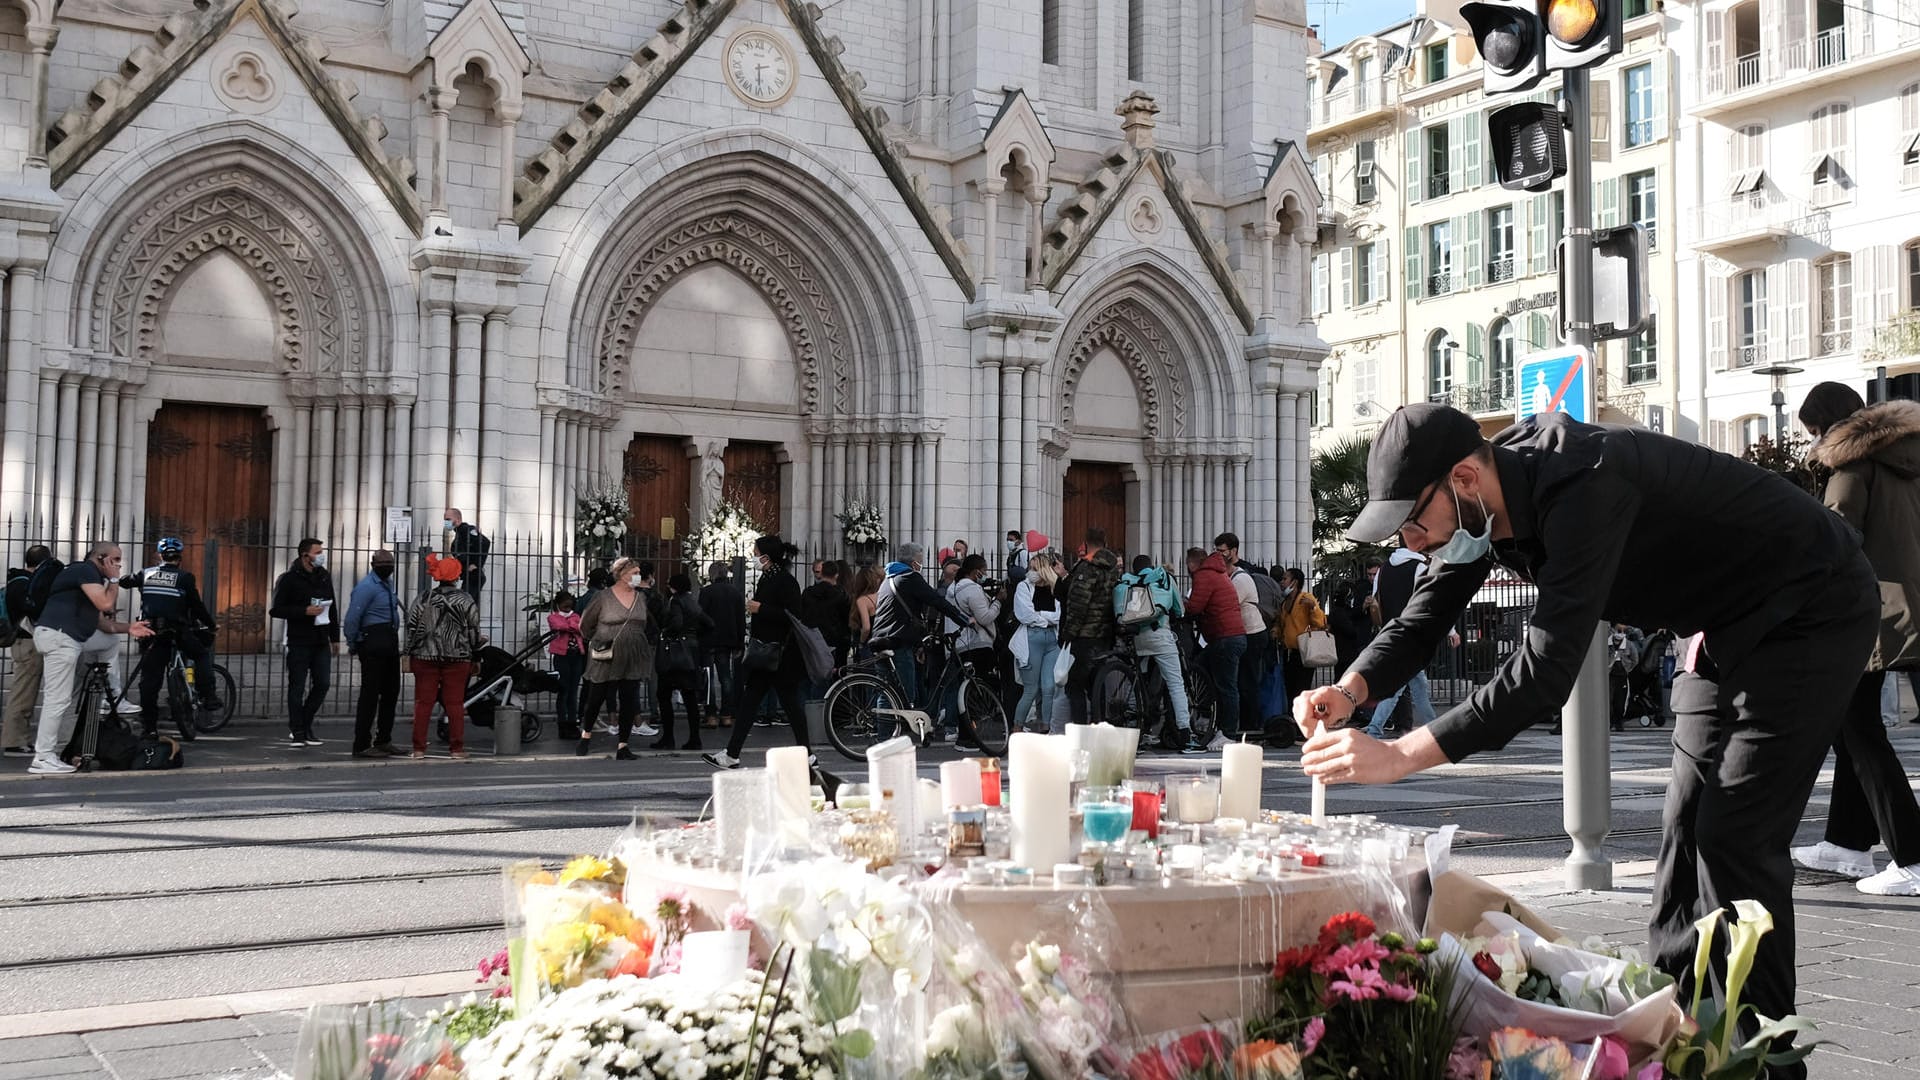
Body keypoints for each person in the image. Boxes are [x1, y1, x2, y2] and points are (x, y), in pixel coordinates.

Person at [1294, 403, 1878, 1073]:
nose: (1410, 542)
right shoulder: (1478, 507)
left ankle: (1768, 1066)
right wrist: (1350, 691)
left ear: (1463, 478)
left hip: (1814, 607)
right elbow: (1422, 621)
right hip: (1726, 624)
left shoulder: (1585, 482)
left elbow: (1544, 672)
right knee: (1683, 842)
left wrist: (1400, 754)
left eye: (1413, 522)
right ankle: (1673, 1048)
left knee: (1735, 840)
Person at [1786, 384, 1920, 897]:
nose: (1813, 441)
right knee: (1853, 726)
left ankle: (1910, 855)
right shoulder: (1905, 461)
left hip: (1874, 614)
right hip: (1909, 608)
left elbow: (1832, 548)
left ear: (1829, 426)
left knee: (1858, 732)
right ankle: (1848, 843)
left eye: (1813, 431)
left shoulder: (1851, 472)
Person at [27, 542, 152, 773]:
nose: (118, 565)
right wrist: (114, 580)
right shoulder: (84, 570)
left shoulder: (88, 579)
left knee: (109, 642)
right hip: (61, 638)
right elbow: (105, 604)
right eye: (114, 560)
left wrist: (129, 628)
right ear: (100, 558)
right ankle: (43, 757)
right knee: (57, 700)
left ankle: (110, 695)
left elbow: (102, 624)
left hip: (70, 638)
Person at [706, 535, 814, 769]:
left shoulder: (784, 581)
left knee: (778, 704)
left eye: (755, 552)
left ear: (766, 556)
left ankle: (733, 754)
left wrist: (760, 608)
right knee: (761, 702)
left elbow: (792, 615)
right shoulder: (769, 577)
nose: (753, 556)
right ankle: (733, 753)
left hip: (778, 652)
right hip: (767, 651)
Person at [867, 542, 974, 736]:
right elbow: (935, 599)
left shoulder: (888, 579)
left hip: (881, 638)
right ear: (914, 562)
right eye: (921, 560)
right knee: (905, 693)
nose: (921, 564)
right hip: (897, 642)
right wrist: (962, 618)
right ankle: (887, 737)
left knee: (888, 690)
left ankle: (887, 735)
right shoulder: (909, 577)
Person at [125, 536, 220, 741]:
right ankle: (209, 696)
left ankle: (150, 728)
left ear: (160, 555)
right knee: (201, 655)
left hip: (153, 634)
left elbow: (125, 581)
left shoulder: (146, 573)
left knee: (150, 682)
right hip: (178, 631)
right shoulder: (185, 577)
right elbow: (196, 605)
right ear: (179, 557)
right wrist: (211, 625)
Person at [1362, 547, 1457, 739]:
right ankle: (1376, 729)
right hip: (1413, 633)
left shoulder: (1384, 569)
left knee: (1415, 685)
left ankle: (1431, 727)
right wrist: (1451, 630)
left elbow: (1376, 602)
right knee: (1403, 688)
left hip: (1389, 633)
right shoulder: (1419, 568)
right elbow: (1435, 599)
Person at [1117, 554, 1200, 753]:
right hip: (1160, 634)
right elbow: (1179, 610)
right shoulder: (1162, 578)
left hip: (1137, 636)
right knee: (1175, 684)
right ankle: (1186, 736)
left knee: (1138, 681)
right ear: (1151, 566)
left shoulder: (1129, 582)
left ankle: (1133, 729)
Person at [405, 554, 483, 759]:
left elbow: (412, 626)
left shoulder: (424, 597)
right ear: (456, 576)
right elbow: (473, 630)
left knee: (424, 703)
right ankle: (456, 749)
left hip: (425, 656)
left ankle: (418, 748)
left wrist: (409, 650)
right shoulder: (465, 600)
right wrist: (475, 652)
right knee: (455, 704)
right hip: (457, 657)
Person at [577, 557, 656, 760]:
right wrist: (597, 639)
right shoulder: (603, 597)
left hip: (633, 654)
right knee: (597, 695)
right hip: (607, 652)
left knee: (629, 698)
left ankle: (623, 744)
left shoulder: (641, 598)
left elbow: (645, 622)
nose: (638, 576)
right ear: (621, 574)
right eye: (634, 573)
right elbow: (585, 623)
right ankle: (586, 735)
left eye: (639, 573)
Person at [269, 538, 338, 748]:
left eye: (321, 551)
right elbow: (276, 609)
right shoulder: (289, 579)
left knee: (323, 683)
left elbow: (332, 608)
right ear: (305, 556)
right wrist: (303, 611)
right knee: (297, 686)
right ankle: (297, 730)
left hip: (320, 639)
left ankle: (305, 723)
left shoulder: (324, 577)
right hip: (299, 640)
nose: (321, 555)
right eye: (318, 552)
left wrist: (334, 638)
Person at [1184, 546, 1246, 750]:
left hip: (1225, 637)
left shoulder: (1204, 575)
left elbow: (1194, 607)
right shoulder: (1218, 573)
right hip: (1229, 636)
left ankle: (1228, 733)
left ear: (1193, 563)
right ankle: (1207, 717)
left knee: (1226, 686)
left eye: (1187, 565)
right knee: (1201, 669)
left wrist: (1181, 604)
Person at [1215, 534, 1276, 740]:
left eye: (1222, 551)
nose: (1219, 555)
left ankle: (1251, 723)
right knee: (1241, 679)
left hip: (1252, 633)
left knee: (1248, 680)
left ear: (1233, 551)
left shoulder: (1241, 577)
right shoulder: (1231, 575)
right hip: (1242, 633)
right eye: (1217, 551)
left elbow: (1228, 602)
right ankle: (1245, 721)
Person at [343, 549, 403, 758]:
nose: (388, 566)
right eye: (384, 563)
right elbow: (352, 617)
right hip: (372, 641)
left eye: (390, 563)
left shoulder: (387, 584)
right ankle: (361, 743)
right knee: (370, 695)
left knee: (391, 692)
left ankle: (383, 739)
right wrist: (353, 641)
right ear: (373, 565)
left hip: (389, 640)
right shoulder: (366, 587)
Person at [1057, 538, 1122, 727]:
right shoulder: (1112, 570)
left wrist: (1068, 633)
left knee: (1074, 685)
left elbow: (1078, 604)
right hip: (1104, 635)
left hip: (1084, 636)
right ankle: (1098, 725)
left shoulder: (1086, 570)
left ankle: (1080, 728)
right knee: (1096, 685)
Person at [942, 554, 1002, 751]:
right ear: (977, 571)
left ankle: (965, 734)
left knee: (964, 691)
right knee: (976, 691)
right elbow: (984, 617)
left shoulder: (952, 589)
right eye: (984, 570)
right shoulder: (973, 590)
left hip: (960, 645)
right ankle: (969, 736)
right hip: (976, 644)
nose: (985, 574)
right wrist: (998, 602)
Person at [655, 572, 715, 751]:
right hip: (691, 653)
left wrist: (666, 632)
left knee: (663, 694)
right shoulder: (692, 601)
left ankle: (668, 737)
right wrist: (695, 638)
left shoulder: (675, 600)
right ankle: (694, 738)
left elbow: (677, 623)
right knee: (690, 698)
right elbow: (709, 623)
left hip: (675, 653)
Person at [2, 545, 52, 757]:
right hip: (27, 643)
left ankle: (16, 739)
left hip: (23, 644)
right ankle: (14, 741)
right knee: (23, 693)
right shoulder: (26, 586)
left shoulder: (16, 581)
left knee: (23, 691)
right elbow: (32, 610)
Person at [1012, 552, 1063, 734]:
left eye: (1034, 568)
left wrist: (1041, 617)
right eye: (1029, 568)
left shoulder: (1055, 588)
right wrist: (1046, 619)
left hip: (1052, 639)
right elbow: (1025, 614)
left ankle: (1045, 725)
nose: (1030, 572)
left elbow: (1059, 615)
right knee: (1031, 689)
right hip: (1031, 638)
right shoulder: (1024, 587)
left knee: (1049, 686)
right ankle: (1017, 726)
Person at [1276, 567, 1329, 734]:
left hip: (1304, 652)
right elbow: (1283, 624)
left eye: (1285, 579)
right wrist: (1277, 632)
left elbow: (1320, 623)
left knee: (1302, 689)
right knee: (1291, 689)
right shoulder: (1285, 603)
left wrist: (1313, 608)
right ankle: (1295, 725)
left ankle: (1304, 726)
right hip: (1289, 652)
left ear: (1294, 582)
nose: (1282, 582)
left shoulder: (1306, 598)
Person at [699, 560, 746, 728]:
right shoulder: (735, 592)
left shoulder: (706, 592)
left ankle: (711, 714)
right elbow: (741, 620)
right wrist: (740, 643)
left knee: (709, 678)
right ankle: (727, 713)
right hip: (728, 640)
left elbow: (701, 616)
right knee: (726, 677)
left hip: (709, 639)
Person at [801, 559, 853, 676]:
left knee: (814, 676)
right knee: (837, 678)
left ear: (822, 573)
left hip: (813, 639)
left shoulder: (808, 592)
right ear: (836, 575)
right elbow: (847, 619)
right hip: (835, 641)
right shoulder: (841, 595)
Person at [547, 590, 586, 740]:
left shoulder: (576, 616)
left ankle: (572, 723)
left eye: (570, 606)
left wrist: (569, 624)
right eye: (565, 606)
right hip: (562, 657)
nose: (567, 608)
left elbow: (580, 627)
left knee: (573, 691)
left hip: (576, 657)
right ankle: (562, 724)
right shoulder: (553, 617)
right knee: (563, 691)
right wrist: (570, 624)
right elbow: (558, 626)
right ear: (558, 605)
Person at [444, 508, 490, 600]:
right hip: (468, 576)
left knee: (465, 604)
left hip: (474, 576)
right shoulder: (459, 534)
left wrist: (476, 564)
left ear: (457, 519)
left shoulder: (466, 530)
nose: (446, 522)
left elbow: (485, 542)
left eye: (448, 519)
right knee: (468, 605)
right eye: (445, 520)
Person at [848, 563, 882, 644]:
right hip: (882, 641)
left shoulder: (862, 600)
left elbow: (866, 627)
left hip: (869, 642)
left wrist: (861, 642)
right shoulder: (881, 595)